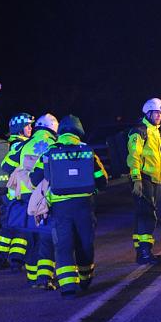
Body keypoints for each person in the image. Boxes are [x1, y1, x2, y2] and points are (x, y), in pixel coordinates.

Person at [30, 115, 108, 298]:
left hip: (60, 208)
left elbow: (35, 179)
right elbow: (102, 180)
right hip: (85, 207)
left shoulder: (49, 153)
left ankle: (67, 288)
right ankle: (85, 278)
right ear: (79, 131)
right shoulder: (88, 151)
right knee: (85, 244)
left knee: (63, 246)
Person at [17, 113, 59, 288]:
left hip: (26, 197)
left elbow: (9, 164)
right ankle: (44, 278)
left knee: (31, 239)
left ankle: (32, 277)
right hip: (44, 197)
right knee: (46, 239)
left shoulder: (24, 144)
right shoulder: (53, 144)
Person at [127, 98, 161, 265]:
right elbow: (133, 156)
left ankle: (141, 252)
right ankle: (145, 253)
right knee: (147, 215)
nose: (159, 116)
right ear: (148, 113)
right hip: (143, 178)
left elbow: (159, 158)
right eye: (156, 113)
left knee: (143, 214)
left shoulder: (156, 132)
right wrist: (136, 179)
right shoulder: (140, 131)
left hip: (152, 179)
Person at [0, 112, 34, 271]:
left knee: (11, 227)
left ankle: (2, 259)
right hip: (14, 194)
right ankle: (15, 260)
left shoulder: (14, 143)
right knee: (19, 227)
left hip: (10, 193)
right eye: (27, 126)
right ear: (19, 129)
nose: (30, 128)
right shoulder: (18, 145)